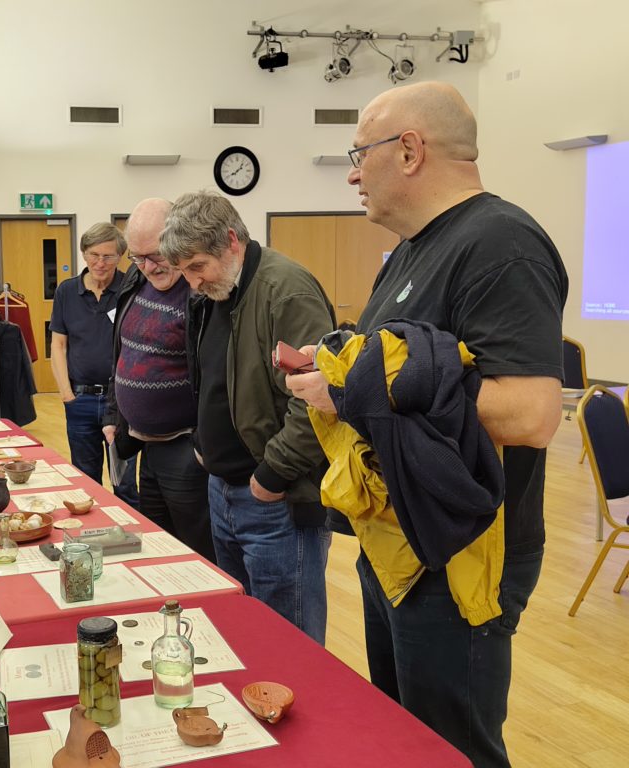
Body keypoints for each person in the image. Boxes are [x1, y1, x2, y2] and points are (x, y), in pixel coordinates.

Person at [286, 82, 567, 768]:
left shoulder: (501, 243)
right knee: (405, 744)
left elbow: (532, 413)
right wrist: (340, 371)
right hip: (398, 541)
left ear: (409, 150)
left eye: (359, 153)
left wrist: (357, 388)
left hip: (464, 552)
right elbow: (395, 373)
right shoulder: (412, 250)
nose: (352, 172)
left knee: (453, 750)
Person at [159, 191, 335, 643]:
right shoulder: (216, 292)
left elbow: (316, 399)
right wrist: (204, 445)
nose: (193, 282)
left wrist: (272, 475)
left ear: (232, 241)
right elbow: (212, 379)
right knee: (244, 637)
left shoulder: (285, 290)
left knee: (288, 643)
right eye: (184, 272)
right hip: (223, 491)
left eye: (198, 267)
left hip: (275, 501)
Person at [101, 199, 215, 561]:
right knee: (157, 550)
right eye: (136, 257)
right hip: (144, 445)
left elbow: (217, 374)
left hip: (186, 449)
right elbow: (123, 352)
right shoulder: (137, 279)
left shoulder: (201, 292)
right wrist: (113, 413)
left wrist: (200, 446)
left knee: (195, 555)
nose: (147, 267)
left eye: (155, 256)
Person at [50, 222, 138, 507]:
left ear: (120, 256)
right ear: (84, 254)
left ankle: (136, 542)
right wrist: (66, 394)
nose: (101, 263)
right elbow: (59, 345)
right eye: (94, 255)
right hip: (81, 400)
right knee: (86, 485)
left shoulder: (131, 287)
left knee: (124, 484)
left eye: (109, 256)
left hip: (122, 403)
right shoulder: (66, 292)